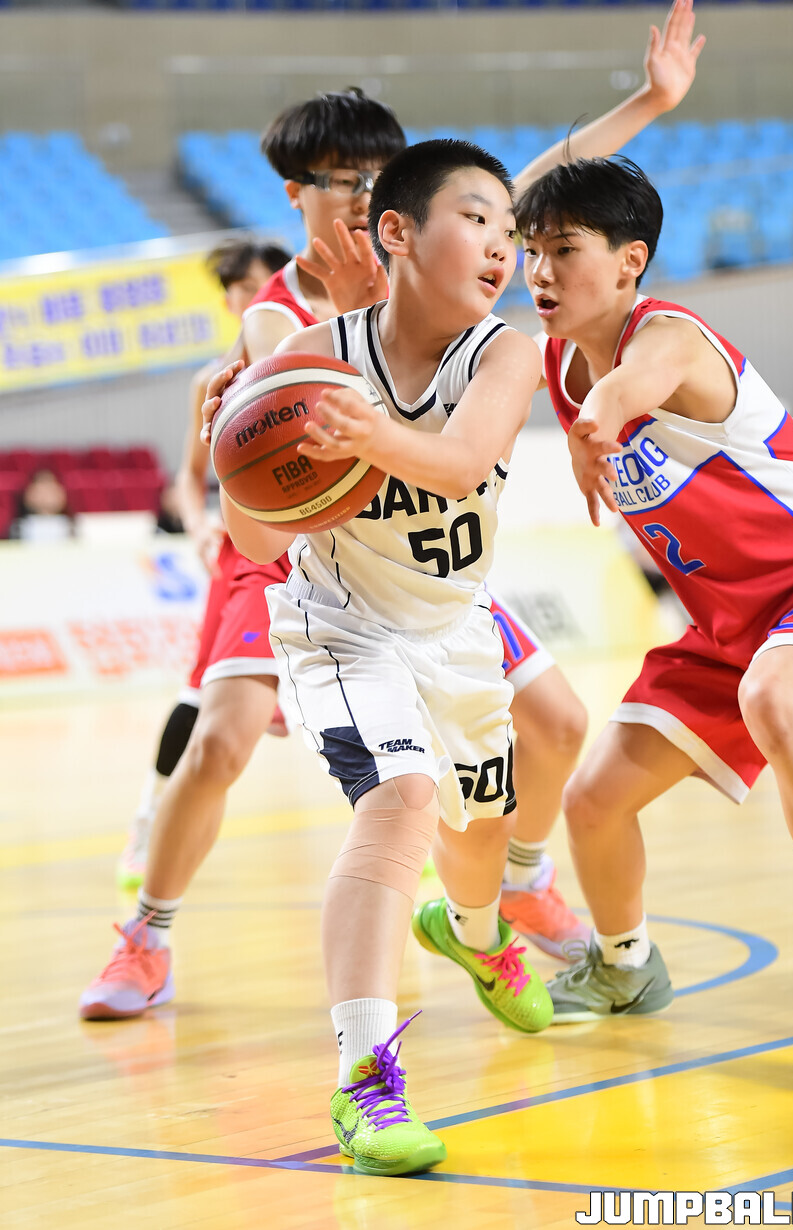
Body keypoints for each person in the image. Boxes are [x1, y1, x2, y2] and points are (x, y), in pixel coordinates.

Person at [83, 0, 703, 1019]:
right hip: (305, 556)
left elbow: (535, 182)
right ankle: (146, 936)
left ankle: (510, 887)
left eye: (381, 174)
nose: (368, 190)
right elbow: (289, 442)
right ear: (300, 194)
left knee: (554, 720)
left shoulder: (449, 268)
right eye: (346, 178)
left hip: (427, 557)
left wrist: (648, 102)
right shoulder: (283, 317)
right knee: (225, 740)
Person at [213, 139, 552, 1177]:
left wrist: (363, 436)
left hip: (456, 631)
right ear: (397, 232)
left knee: (478, 834)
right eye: (476, 220)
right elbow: (258, 541)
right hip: (343, 628)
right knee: (401, 799)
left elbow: (459, 462)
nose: (500, 247)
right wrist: (234, 461)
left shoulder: (504, 353)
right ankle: (365, 1081)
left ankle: (475, 931)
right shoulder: (310, 360)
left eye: (508, 230)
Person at [516, 154, 793, 1022]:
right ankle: (625, 966)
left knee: (774, 696)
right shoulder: (551, 360)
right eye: (532, 251)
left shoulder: (671, 337)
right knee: (593, 801)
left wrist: (594, 426)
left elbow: (626, 389)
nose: (540, 272)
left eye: (563, 250)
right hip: (731, 628)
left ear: (630, 261)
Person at [116, 238, 290, 889]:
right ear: (229, 301)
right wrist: (197, 524)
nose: (252, 298)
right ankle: (148, 819)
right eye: (241, 289)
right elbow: (190, 479)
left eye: (261, 285)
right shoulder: (209, 381)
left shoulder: (315, 359)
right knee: (197, 694)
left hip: (319, 545)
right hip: (244, 549)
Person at [8, 468, 73, 543]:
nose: (45, 496)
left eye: (50, 490)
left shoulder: (73, 527)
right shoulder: (18, 528)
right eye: (39, 491)